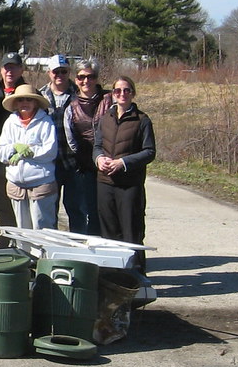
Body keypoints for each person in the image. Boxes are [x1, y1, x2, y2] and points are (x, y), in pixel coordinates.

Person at [94, 76, 156, 272]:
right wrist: (98, 159)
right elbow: (97, 146)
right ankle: (112, 277)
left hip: (129, 185)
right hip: (105, 183)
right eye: (118, 91)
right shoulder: (105, 119)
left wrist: (123, 162)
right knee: (109, 233)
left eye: (127, 90)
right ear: (112, 94)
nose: (122, 94)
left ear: (133, 93)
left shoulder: (142, 120)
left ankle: (136, 277)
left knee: (131, 232)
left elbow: (149, 151)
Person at [0, 84, 58, 230]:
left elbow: (50, 151)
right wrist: (14, 148)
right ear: (16, 103)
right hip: (16, 185)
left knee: (42, 229)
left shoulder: (45, 122)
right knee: (22, 229)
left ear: (35, 102)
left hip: (41, 184)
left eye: (29, 100)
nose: (25, 103)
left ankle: (42, 254)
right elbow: (1, 152)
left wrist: (29, 152)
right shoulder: (10, 122)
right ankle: (24, 253)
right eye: (21, 100)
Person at [64, 60, 112, 235]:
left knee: (109, 211)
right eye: (81, 77)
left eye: (90, 76)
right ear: (76, 79)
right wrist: (87, 159)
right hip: (87, 168)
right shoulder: (72, 107)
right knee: (90, 209)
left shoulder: (110, 99)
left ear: (97, 78)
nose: (86, 81)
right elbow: (72, 141)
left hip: (110, 165)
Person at [0, 52, 28, 227]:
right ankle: (7, 247)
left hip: (23, 163)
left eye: (14, 67)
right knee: (3, 208)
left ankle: (26, 247)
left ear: (21, 69)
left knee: (23, 208)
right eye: (6, 67)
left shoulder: (29, 94)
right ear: (1, 70)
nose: (10, 71)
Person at [39, 54, 82, 230]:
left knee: (77, 210)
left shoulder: (79, 95)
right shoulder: (40, 96)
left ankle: (78, 251)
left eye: (63, 71)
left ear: (69, 72)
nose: (60, 75)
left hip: (74, 163)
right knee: (49, 211)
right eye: (56, 71)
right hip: (49, 164)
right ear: (49, 73)